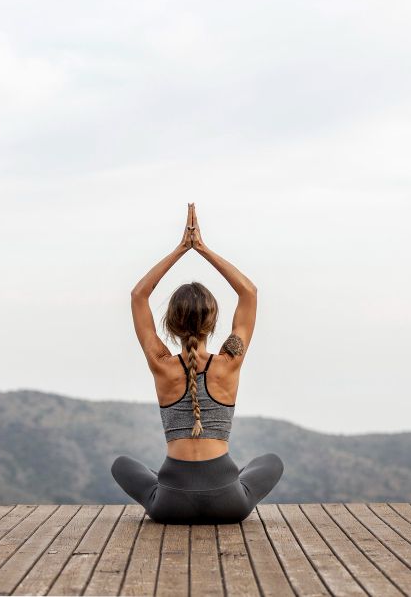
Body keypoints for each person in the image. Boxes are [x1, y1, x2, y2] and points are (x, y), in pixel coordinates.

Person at [112, 202, 284, 524]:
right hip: (229, 503)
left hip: (169, 506)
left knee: (121, 463)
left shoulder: (161, 363)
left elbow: (138, 296)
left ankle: (168, 482)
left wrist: (181, 249)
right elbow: (249, 293)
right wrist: (202, 249)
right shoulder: (229, 361)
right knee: (269, 461)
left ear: (171, 324)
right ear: (213, 320)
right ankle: (224, 478)